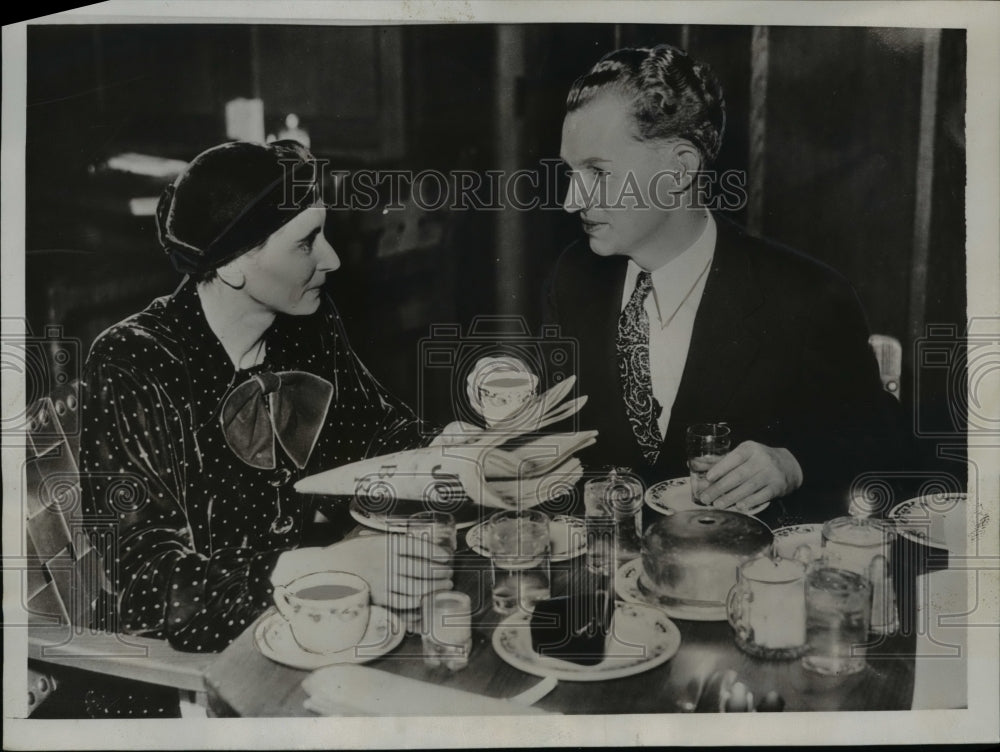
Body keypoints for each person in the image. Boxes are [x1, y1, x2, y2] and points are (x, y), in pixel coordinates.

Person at [77, 141, 502, 687]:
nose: (333, 258)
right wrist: (328, 567)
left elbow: (374, 439)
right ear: (232, 267)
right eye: (306, 243)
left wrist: (448, 450)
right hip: (174, 672)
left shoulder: (307, 322)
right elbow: (149, 579)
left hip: (296, 626)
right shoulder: (134, 360)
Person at [545, 45, 909, 524]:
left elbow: (891, 448)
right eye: (572, 172)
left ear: (680, 169)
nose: (572, 199)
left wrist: (794, 464)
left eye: (597, 172)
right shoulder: (574, 276)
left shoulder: (810, 297)